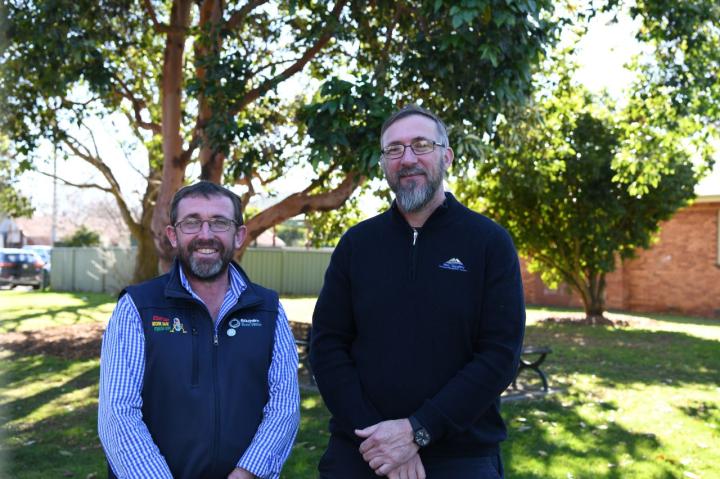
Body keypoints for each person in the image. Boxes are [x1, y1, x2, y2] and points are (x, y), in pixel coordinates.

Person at [310, 105, 525, 479]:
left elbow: (500, 354)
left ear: (446, 156)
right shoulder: (356, 245)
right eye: (394, 149)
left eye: (420, 145)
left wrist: (417, 430)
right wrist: (382, 440)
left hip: (461, 455)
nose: (407, 158)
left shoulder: (489, 242)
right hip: (361, 449)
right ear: (383, 164)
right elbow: (327, 345)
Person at [98, 181, 300, 479]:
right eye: (192, 222)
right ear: (173, 235)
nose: (206, 235)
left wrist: (247, 474)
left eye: (219, 222)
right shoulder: (137, 307)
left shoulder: (269, 310)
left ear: (239, 235)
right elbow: (118, 414)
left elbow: (284, 407)